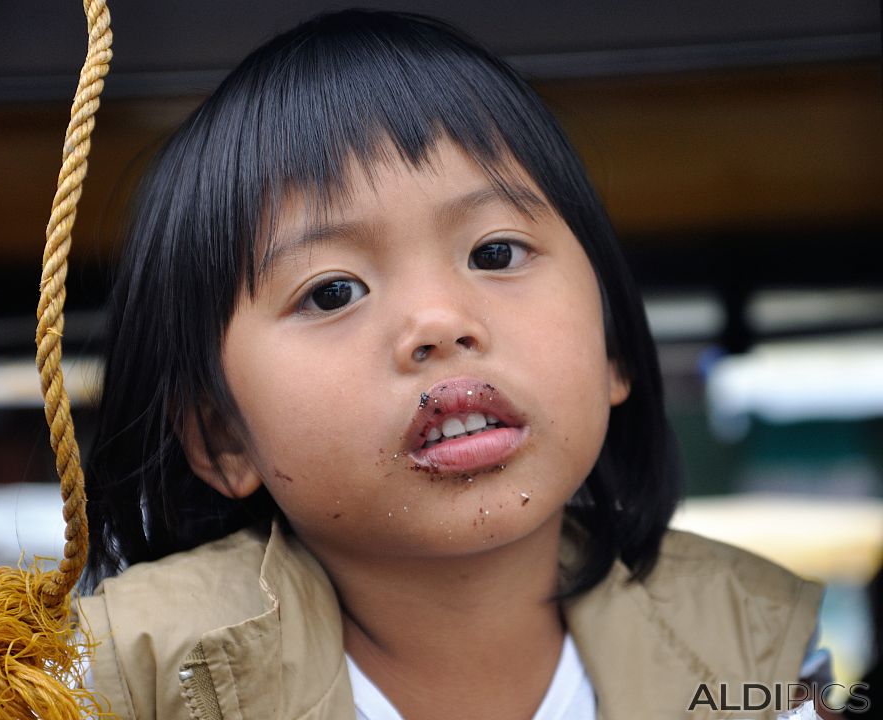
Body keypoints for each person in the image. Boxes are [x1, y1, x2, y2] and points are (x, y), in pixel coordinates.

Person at [76, 10, 827, 719]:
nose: (439, 323)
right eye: (333, 291)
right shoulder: (125, 678)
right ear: (222, 438)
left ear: (614, 350)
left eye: (494, 252)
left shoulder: (749, 648)